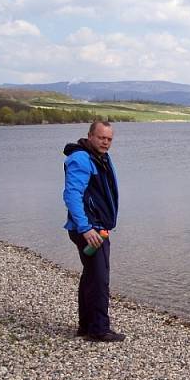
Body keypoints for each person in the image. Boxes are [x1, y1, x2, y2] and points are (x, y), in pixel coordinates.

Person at [63, 121, 124, 342]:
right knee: (99, 278)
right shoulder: (81, 159)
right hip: (91, 231)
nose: (105, 142)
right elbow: (72, 195)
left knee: (91, 276)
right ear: (90, 136)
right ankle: (99, 329)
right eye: (101, 138)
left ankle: (86, 325)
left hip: (98, 228)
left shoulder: (100, 157)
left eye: (109, 139)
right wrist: (86, 228)